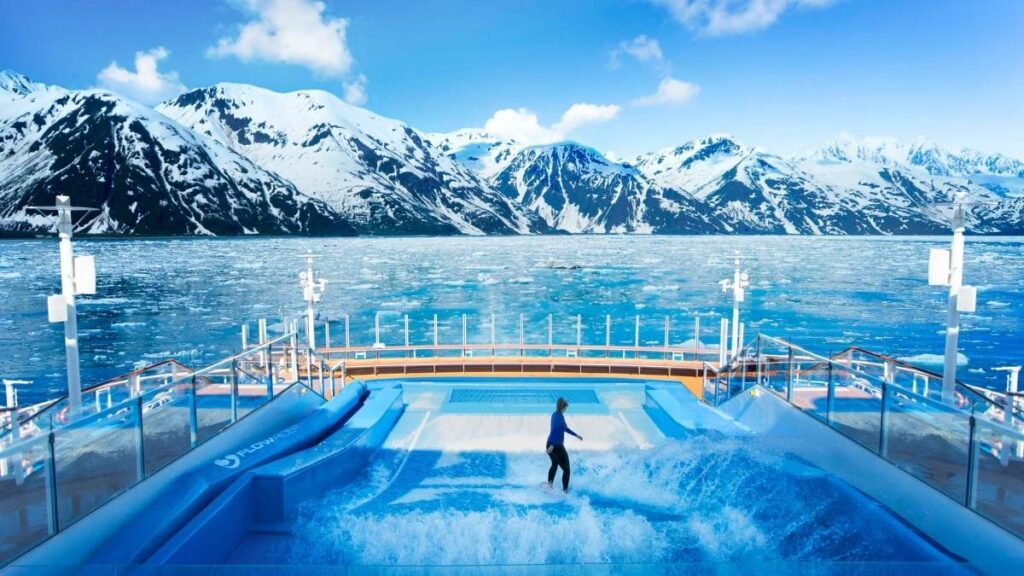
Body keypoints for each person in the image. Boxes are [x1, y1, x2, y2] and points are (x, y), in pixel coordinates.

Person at [546, 397, 582, 492]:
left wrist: (576, 435)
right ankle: (565, 491)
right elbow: (555, 430)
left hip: (550, 443)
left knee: (554, 464)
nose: (566, 409)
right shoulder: (560, 418)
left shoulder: (555, 415)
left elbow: (564, 428)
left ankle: (549, 484)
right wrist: (553, 445)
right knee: (567, 470)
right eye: (566, 407)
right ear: (563, 407)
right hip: (556, 446)